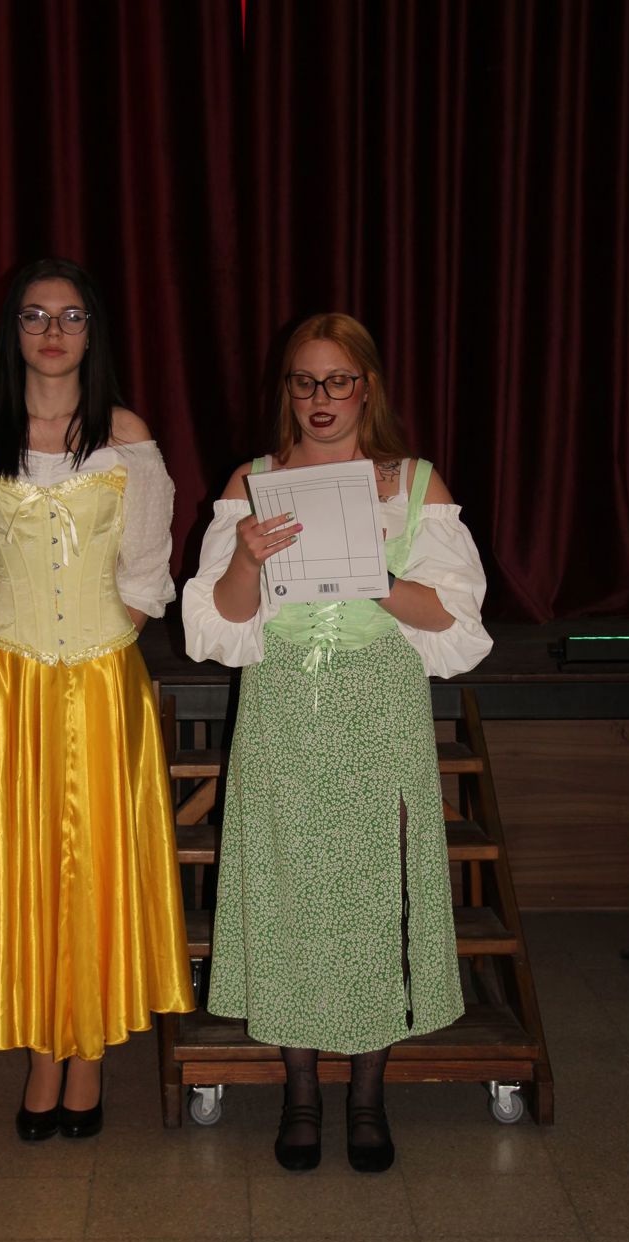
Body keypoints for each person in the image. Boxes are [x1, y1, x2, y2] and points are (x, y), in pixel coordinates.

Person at [182, 313, 492, 1172]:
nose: (321, 398)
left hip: (376, 704)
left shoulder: (412, 482)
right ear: (286, 391)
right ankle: (300, 1092)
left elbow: (457, 622)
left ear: (367, 388)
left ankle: (366, 1094)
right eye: (304, 381)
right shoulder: (255, 480)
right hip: (285, 703)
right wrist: (247, 559)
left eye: (338, 380)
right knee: (287, 888)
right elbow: (221, 623)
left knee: (371, 893)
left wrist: (376, 575)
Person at [0, 257, 194, 1141]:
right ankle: (42, 1050)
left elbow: (147, 566)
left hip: (103, 679)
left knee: (94, 866)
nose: (53, 333)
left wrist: (106, 641)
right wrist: (5, 639)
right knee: (23, 867)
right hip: (8, 682)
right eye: (35, 316)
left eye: (71, 316)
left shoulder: (126, 435)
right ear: (14, 330)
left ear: (92, 332)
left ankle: (90, 1053)